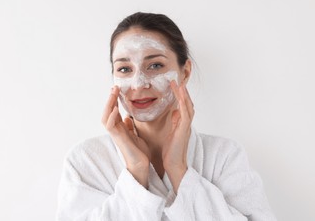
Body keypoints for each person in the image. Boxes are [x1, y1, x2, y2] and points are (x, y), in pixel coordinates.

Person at [56, 12, 276, 220]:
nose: (138, 83)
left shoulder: (224, 156)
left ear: (185, 72)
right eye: (124, 69)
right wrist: (135, 172)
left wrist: (179, 170)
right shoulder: (87, 161)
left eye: (155, 65)